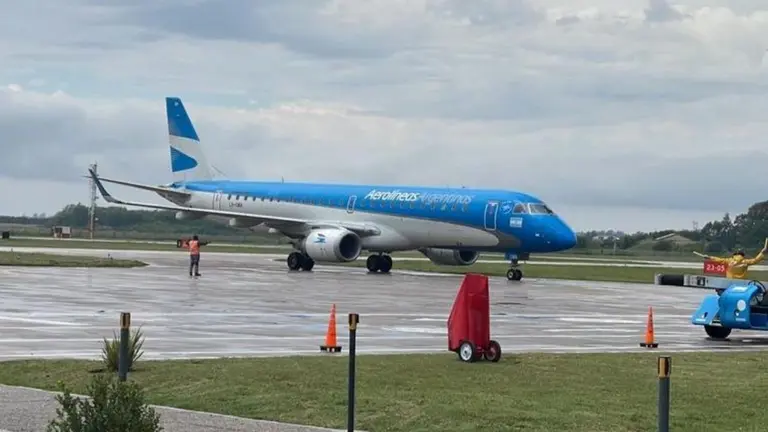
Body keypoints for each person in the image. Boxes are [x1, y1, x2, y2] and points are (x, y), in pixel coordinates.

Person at [699, 239, 768, 279]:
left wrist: (709, 257)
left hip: (730, 282)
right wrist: (762, 253)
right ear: (743, 255)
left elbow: (718, 259)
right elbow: (755, 260)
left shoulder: (729, 260)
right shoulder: (745, 261)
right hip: (741, 282)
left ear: (734, 255)